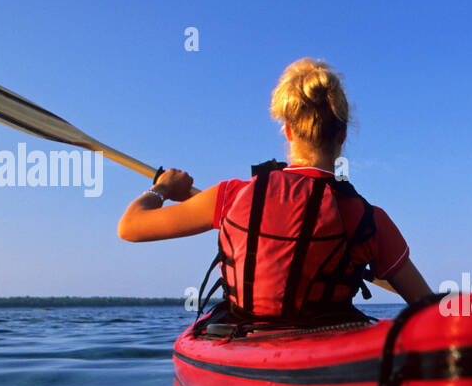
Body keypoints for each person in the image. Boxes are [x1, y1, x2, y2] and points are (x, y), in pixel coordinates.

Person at [117, 58, 432, 324]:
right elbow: (429, 310)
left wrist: (162, 188)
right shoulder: (369, 221)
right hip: (331, 356)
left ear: (288, 129)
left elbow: (130, 227)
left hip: (246, 349)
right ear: (344, 134)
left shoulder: (232, 196)